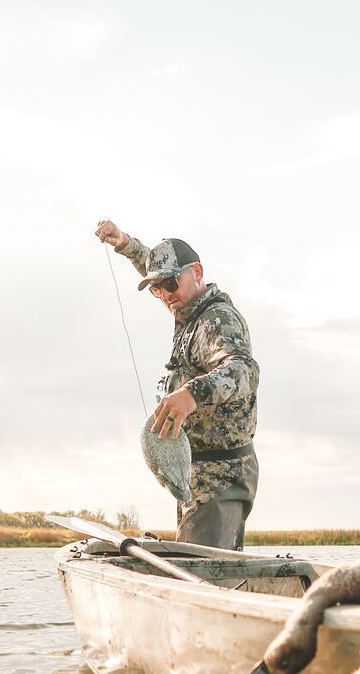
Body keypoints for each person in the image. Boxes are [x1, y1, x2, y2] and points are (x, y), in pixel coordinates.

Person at [95, 219, 260, 549]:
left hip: (222, 476)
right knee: (194, 565)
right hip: (195, 474)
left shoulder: (217, 319)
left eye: (171, 283)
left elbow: (244, 371)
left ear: (196, 273)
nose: (165, 294)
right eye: (156, 288)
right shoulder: (187, 309)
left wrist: (191, 394)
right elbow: (153, 267)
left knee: (204, 576)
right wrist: (125, 243)